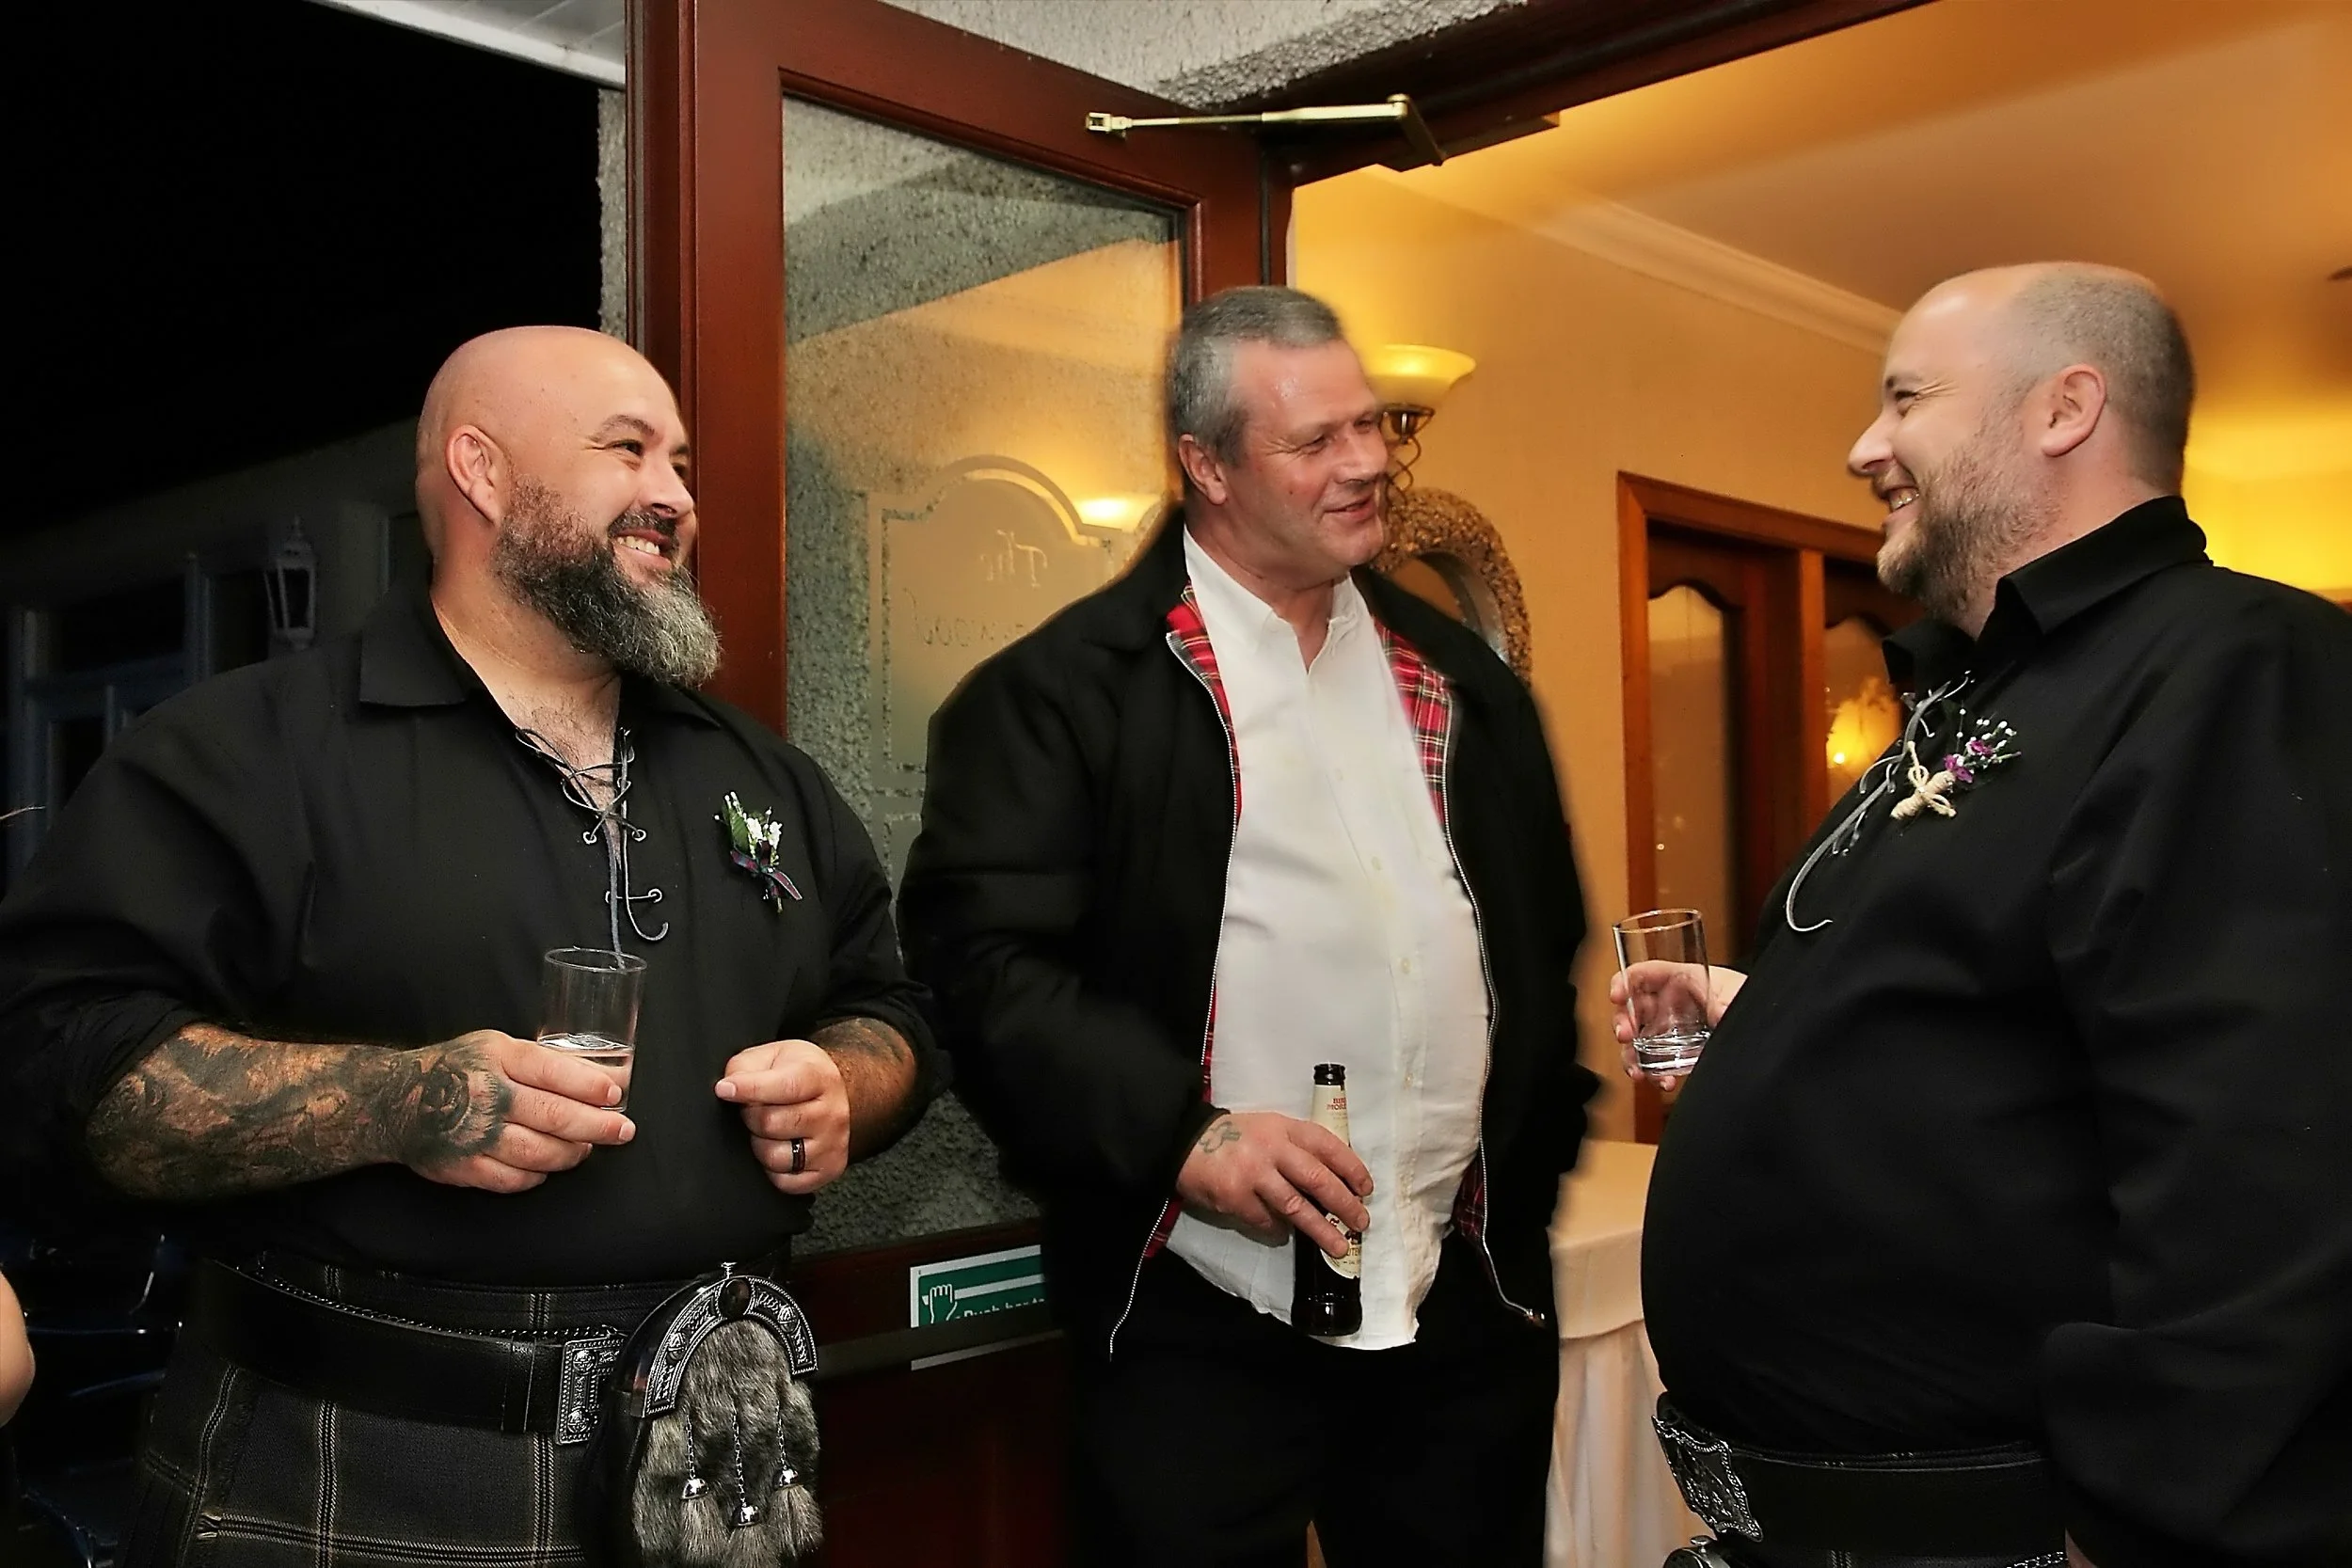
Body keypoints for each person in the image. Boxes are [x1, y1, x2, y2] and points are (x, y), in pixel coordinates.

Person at [0, 325, 939, 1565]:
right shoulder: (247, 754)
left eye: (680, 462)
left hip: (720, 1463)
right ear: (482, 471)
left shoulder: (766, 776)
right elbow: (64, 1067)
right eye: (627, 450)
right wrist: (399, 1102)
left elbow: (891, 1009)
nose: (673, 494)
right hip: (359, 1462)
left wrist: (848, 1083)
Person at [1621, 265, 2351, 1568]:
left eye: (1906, 398)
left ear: (2067, 407)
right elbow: (2005, 1021)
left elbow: (2263, 1169)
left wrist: (2159, 1526)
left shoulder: (2232, 665)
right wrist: (1768, 1022)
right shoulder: (1991, 691)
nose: (1865, 447)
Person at [898, 286, 1597, 1568]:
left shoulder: (1464, 684)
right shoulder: (1060, 696)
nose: (1368, 460)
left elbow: (1540, 953)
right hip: (1198, 1318)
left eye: (1371, 424)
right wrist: (1187, 1134)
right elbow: (984, 970)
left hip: (1458, 1311)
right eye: (1316, 439)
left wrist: (1526, 1172)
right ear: (1205, 465)